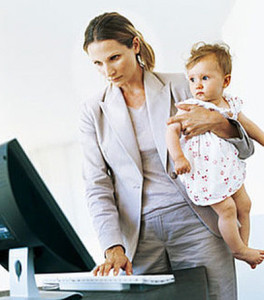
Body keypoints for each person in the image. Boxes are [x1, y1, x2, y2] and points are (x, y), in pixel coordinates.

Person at [80, 12, 254, 300]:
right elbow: (96, 184)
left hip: (197, 223)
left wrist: (216, 123)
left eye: (114, 58)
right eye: (98, 63)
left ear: (134, 46)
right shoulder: (93, 111)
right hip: (140, 236)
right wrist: (113, 245)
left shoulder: (185, 85)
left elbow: (244, 148)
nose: (107, 71)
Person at [166, 42, 264, 269]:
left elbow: (248, 126)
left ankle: (244, 245)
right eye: (192, 79)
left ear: (225, 81)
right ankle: (237, 249)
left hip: (227, 167)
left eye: (205, 78)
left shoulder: (231, 104)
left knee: (245, 204)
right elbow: (171, 129)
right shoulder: (189, 106)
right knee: (228, 210)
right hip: (205, 173)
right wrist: (178, 157)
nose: (197, 85)